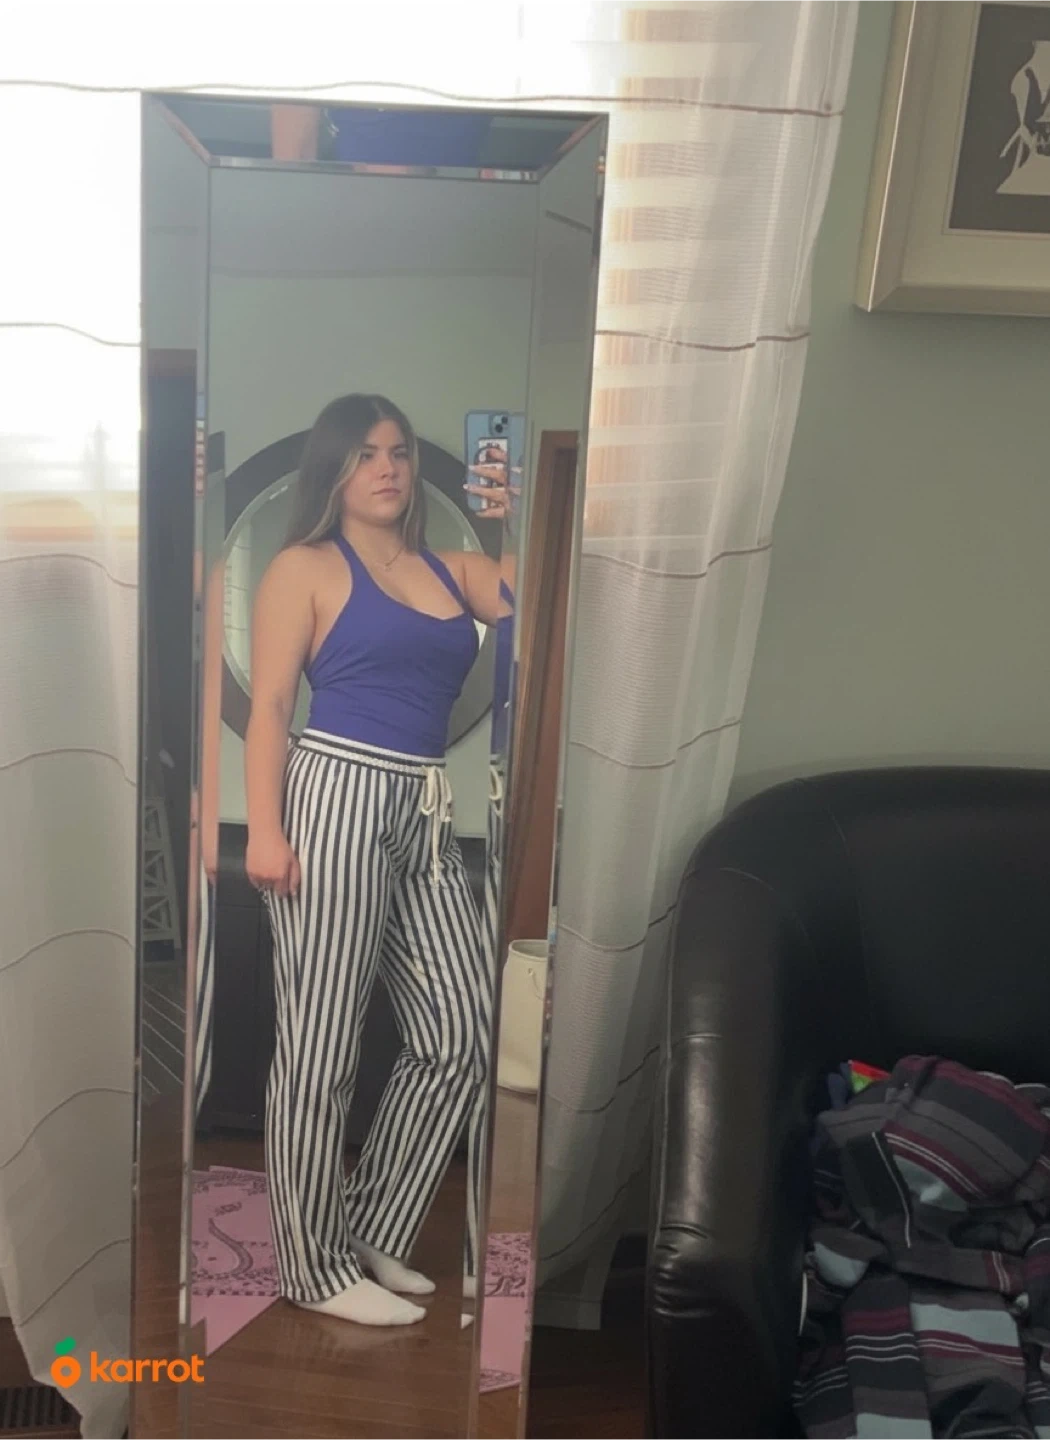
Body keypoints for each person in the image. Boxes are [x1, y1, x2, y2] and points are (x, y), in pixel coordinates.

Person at [245, 393, 511, 1327]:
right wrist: (265, 828)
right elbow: (271, 705)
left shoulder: (454, 569)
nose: (388, 467)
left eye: (398, 451)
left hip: (424, 807)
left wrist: (512, 519)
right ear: (335, 469)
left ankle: (366, 1224)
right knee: (320, 1045)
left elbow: (544, 607)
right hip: (336, 793)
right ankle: (310, 1267)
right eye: (364, 453)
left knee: (461, 1030)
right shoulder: (305, 566)